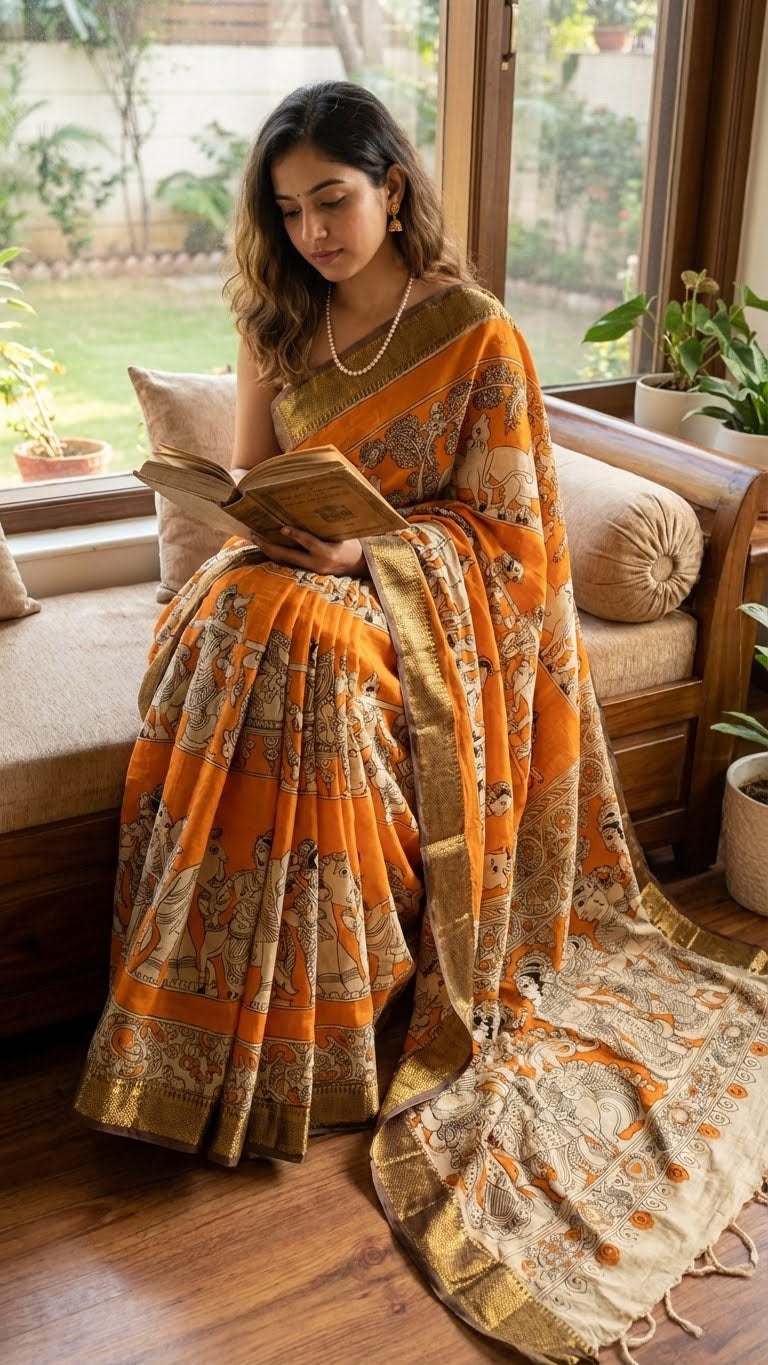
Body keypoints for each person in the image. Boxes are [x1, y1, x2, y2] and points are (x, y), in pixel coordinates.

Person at [75, 82, 768, 1362]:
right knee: (237, 631)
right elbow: (244, 484)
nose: (313, 234)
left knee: (317, 675)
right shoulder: (274, 314)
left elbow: (514, 545)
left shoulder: (477, 334)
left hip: (414, 620)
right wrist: (265, 528)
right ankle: (207, 1033)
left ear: (393, 184)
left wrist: (363, 562)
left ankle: (323, 1043)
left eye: (333, 200)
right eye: (288, 211)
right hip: (284, 576)